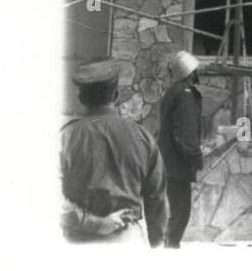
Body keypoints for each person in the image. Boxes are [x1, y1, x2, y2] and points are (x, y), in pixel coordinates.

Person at [60, 59, 167, 246]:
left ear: (82, 98)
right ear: (116, 95)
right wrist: (157, 244)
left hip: (77, 243)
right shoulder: (143, 137)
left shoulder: (66, 137)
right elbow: (157, 200)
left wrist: (91, 222)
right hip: (127, 242)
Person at [157, 50, 204, 249]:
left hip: (169, 162)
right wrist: (195, 157)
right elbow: (184, 133)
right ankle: (170, 250)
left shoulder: (173, 91)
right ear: (190, 72)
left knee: (177, 211)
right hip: (177, 165)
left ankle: (169, 245)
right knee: (181, 213)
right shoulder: (184, 94)